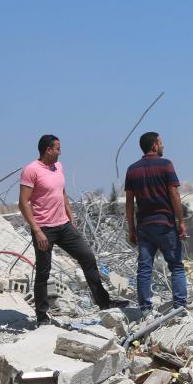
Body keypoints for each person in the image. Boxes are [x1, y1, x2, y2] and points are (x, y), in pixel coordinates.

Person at [19, 134, 125, 325]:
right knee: (43, 271)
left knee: (87, 257)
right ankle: (42, 316)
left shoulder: (58, 167)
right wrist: (37, 230)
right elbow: (23, 202)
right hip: (44, 229)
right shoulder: (31, 170)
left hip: (64, 226)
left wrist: (70, 217)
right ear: (48, 150)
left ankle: (104, 302)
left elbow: (62, 192)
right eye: (57, 148)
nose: (60, 152)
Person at [124, 131, 188, 310]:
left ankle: (145, 309)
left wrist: (131, 229)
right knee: (176, 266)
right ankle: (180, 307)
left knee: (144, 269)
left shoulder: (132, 170)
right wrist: (181, 221)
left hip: (144, 227)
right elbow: (174, 194)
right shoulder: (166, 165)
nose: (163, 145)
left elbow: (129, 203)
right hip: (165, 224)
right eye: (161, 142)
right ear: (154, 145)